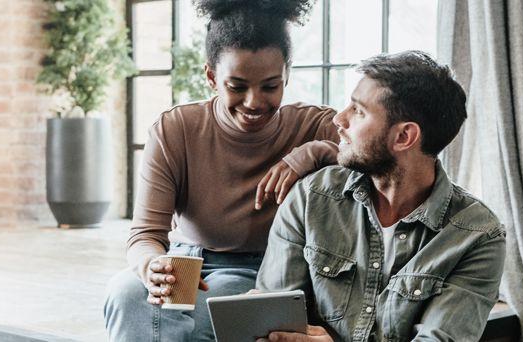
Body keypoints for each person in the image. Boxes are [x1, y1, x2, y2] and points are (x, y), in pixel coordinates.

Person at [103, 0, 343, 340]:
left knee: (213, 309)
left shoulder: (315, 125)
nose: (254, 102)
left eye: (271, 86)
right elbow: (145, 236)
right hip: (184, 263)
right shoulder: (176, 129)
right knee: (126, 294)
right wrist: (151, 266)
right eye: (238, 86)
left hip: (261, 268)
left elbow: (373, 162)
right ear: (212, 76)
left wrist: (314, 153)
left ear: (287, 74)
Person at [254, 51, 506, 342]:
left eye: (358, 111)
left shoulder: (477, 236)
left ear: (404, 137)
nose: (339, 118)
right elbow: (273, 327)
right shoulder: (311, 197)